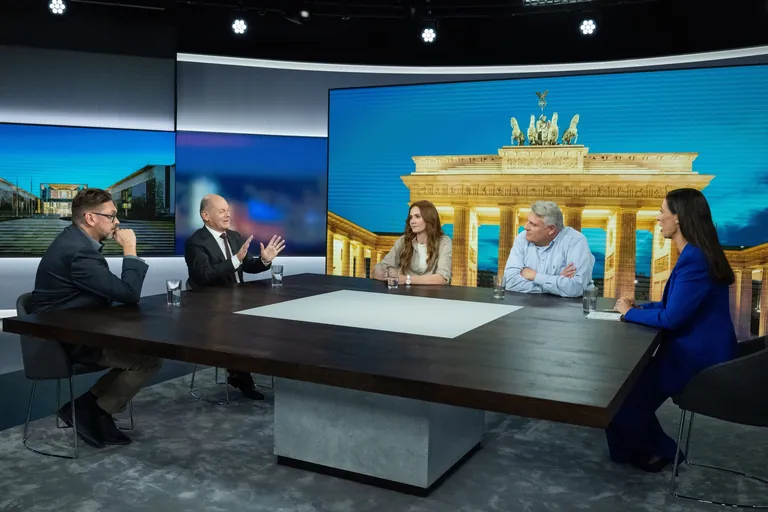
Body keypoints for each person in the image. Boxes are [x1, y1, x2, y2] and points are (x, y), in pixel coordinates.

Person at [608, 188, 737, 472]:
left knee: (618, 395)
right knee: (624, 392)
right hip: (689, 351)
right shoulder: (696, 254)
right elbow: (673, 304)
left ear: (678, 218)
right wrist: (641, 308)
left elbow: (672, 318)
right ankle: (632, 451)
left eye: (662, 212)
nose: (657, 218)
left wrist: (629, 314)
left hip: (695, 359)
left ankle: (664, 452)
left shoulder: (694, 259)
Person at [30, 188, 161, 448]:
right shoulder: (78, 252)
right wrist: (130, 249)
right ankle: (95, 410)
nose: (117, 222)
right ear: (91, 218)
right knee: (147, 359)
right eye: (111, 216)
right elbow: (129, 293)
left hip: (72, 329)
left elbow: (106, 292)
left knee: (143, 353)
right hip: (64, 342)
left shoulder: (74, 242)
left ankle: (88, 408)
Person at [184, 194, 285, 400]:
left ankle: (241, 372)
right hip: (209, 307)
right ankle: (241, 377)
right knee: (237, 330)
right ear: (205, 215)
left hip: (237, 303)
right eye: (222, 211)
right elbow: (203, 275)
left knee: (269, 324)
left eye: (228, 210)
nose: (228, 214)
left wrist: (264, 261)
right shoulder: (196, 242)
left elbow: (248, 266)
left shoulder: (235, 236)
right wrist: (234, 260)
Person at [503, 200, 594, 297]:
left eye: (533, 224)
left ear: (551, 229)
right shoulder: (522, 238)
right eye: (528, 221)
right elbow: (510, 282)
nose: (526, 227)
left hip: (571, 307)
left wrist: (535, 276)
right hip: (530, 304)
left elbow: (575, 288)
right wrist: (557, 282)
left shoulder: (576, 241)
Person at [372, 200, 452, 285]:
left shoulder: (444, 242)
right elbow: (378, 269)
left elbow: (442, 278)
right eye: (411, 217)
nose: (412, 222)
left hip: (433, 296)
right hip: (406, 295)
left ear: (429, 219)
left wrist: (406, 279)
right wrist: (389, 275)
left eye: (417, 217)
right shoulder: (403, 241)